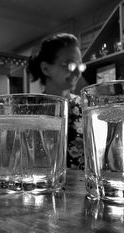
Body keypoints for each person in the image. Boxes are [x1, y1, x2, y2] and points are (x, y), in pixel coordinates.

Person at [27, 33, 86, 169]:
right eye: (70, 65)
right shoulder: (30, 110)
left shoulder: (86, 107)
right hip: (41, 187)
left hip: (80, 187)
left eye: (80, 66)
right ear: (46, 68)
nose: (77, 73)